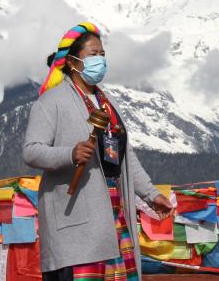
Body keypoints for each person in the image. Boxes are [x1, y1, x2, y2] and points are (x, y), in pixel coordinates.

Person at [24, 22, 173, 281]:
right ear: (72, 62)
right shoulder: (51, 101)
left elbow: (125, 154)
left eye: (103, 54)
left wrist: (151, 194)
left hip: (113, 212)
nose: (100, 60)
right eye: (93, 54)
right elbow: (32, 152)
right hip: (77, 221)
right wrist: (69, 154)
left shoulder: (107, 102)